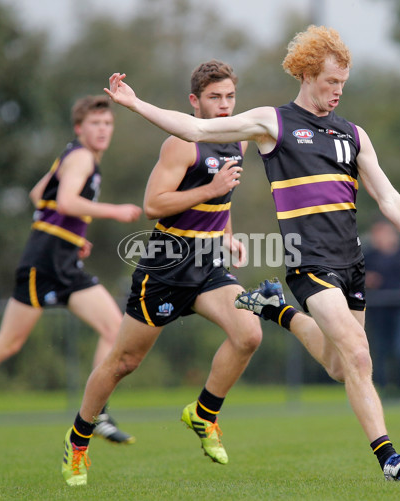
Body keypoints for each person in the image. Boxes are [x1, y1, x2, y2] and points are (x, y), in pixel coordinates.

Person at [102, 25, 400, 482]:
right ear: (306, 74)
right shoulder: (272, 123)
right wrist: (136, 104)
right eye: (330, 82)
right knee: (359, 355)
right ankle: (389, 457)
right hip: (310, 264)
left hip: (351, 263)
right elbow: (197, 128)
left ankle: (278, 311)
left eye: (343, 83)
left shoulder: (353, 135)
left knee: (341, 366)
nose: (338, 92)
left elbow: (391, 199)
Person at [61, 60, 262, 486]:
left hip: (208, 262)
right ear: (195, 101)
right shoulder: (180, 144)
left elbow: (222, 201)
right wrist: (209, 189)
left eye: (229, 97)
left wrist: (228, 234)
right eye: (214, 98)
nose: (224, 106)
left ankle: (203, 414)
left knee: (248, 333)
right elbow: (154, 205)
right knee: (123, 362)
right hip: (168, 264)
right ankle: (78, 440)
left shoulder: (238, 141)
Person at [0, 95, 142, 449]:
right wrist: (114, 210)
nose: (103, 130)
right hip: (45, 262)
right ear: (79, 128)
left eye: (108, 124)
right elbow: (66, 201)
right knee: (9, 342)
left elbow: (39, 193)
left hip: (61, 258)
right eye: (95, 124)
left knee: (113, 328)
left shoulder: (74, 156)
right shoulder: (83, 157)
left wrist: (70, 236)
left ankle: (97, 412)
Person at [364, 219, 400, 401]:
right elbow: (355, 277)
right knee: (379, 352)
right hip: (378, 312)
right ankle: (383, 391)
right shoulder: (369, 257)